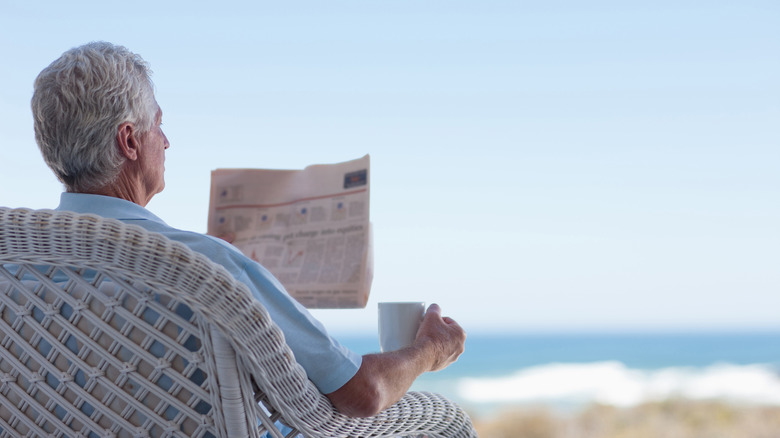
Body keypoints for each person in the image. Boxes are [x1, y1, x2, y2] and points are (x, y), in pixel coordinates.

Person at [30, 41, 466, 418]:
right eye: (158, 125)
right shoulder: (209, 264)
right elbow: (362, 392)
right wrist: (429, 351)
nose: (166, 142)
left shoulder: (17, 261)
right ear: (128, 142)